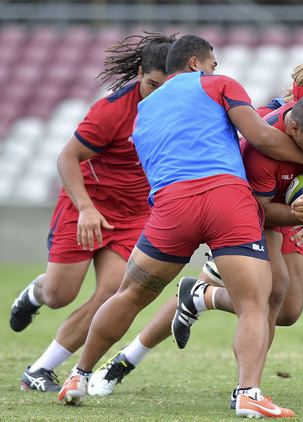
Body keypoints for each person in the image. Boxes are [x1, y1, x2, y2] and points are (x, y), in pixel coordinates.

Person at [57, 35, 303, 419]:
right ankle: (248, 393)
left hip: (172, 205)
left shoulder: (144, 111)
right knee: (255, 302)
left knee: (129, 294)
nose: (215, 69)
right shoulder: (220, 84)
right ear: (194, 63)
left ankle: (78, 375)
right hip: (226, 198)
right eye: (212, 63)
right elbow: (263, 137)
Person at [89, 64, 303, 405]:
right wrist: (302, 213)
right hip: (259, 217)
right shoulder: (260, 136)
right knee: (270, 293)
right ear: (294, 107)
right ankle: (132, 359)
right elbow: (258, 208)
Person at [8, 32, 177, 392]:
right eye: (152, 84)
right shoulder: (112, 110)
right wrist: (85, 208)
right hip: (87, 206)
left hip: (133, 215)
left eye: (168, 86)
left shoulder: (180, 108)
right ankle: (37, 294)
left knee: (114, 292)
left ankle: (40, 369)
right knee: (60, 294)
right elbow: (67, 158)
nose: (159, 93)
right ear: (138, 72)